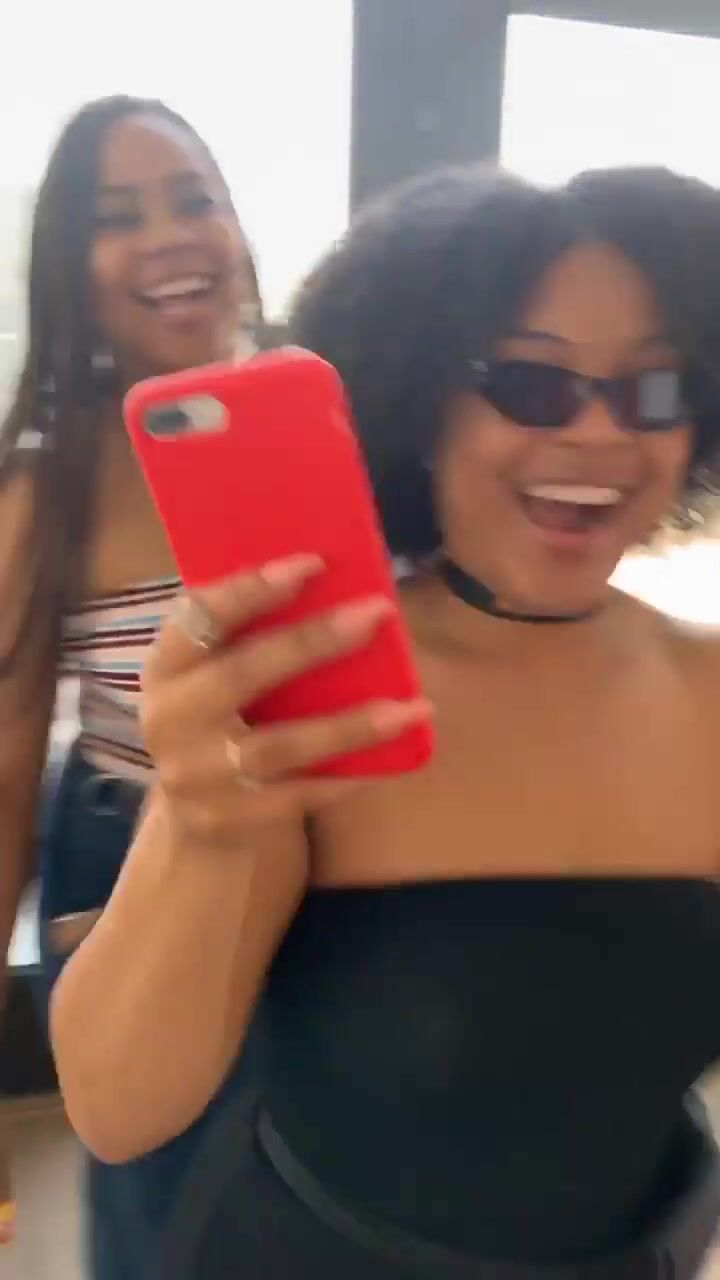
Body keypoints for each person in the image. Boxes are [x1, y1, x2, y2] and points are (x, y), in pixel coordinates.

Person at [49, 164, 720, 1279]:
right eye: (533, 384)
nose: (603, 435)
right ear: (423, 405)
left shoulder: (709, 689)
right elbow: (119, 1107)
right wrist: (203, 826)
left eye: (654, 391)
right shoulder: (312, 682)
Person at [0, 94, 262, 1276]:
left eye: (193, 199)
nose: (168, 237)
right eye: (117, 216)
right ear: (72, 268)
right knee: (172, 1214)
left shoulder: (336, 422)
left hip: (332, 870)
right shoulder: (43, 491)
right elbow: (5, 772)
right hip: (132, 869)